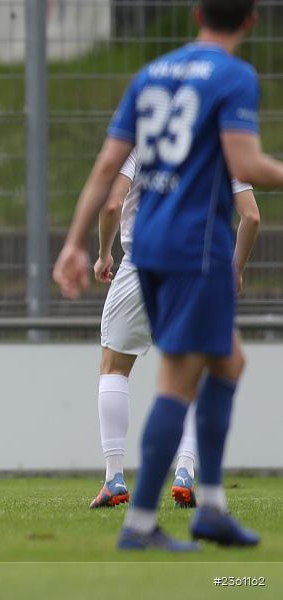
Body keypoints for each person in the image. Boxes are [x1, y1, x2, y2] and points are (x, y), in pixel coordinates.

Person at [53, 0, 283, 550]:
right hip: (193, 249)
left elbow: (107, 169)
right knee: (181, 378)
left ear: (197, 14)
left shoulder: (152, 75)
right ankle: (146, 522)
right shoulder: (233, 76)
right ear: (250, 21)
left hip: (147, 249)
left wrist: (74, 244)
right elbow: (245, 167)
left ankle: (208, 504)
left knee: (227, 361)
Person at [90, 150, 260, 510]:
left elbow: (110, 205)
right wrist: (236, 269)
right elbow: (251, 216)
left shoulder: (142, 138)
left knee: (114, 367)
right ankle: (185, 469)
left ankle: (114, 477)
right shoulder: (220, 143)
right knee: (192, 373)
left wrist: (104, 253)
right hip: (195, 270)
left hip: (142, 264)